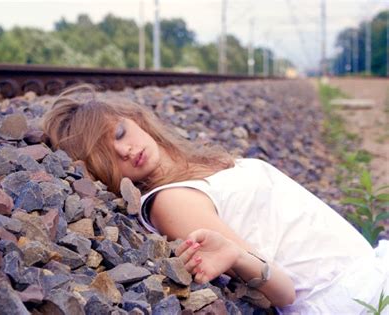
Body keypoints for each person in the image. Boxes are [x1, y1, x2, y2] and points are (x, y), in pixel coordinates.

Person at [43, 84, 389, 314]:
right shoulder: (170, 200)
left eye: (119, 133)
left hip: (369, 273)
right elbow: (284, 293)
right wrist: (237, 256)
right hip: (346, 299)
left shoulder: (198, 164)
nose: (125, 149)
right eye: (109, 156)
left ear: (135, 119)